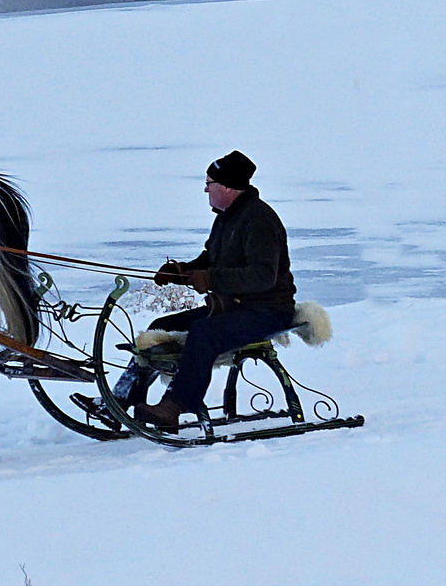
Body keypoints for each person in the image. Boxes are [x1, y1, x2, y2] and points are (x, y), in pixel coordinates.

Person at [93, 150, 297, 430]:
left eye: (209, 183)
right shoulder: (227, 217)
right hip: (235, 307)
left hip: (268, 312)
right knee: (159, 326)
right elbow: (211, 260)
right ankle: (121, 399)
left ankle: (175, 405)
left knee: (204, 333)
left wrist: (210, 279)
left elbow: (262, 277)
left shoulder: (259, 220)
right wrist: (181, 272)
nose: (205, 189)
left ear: (227, 187)